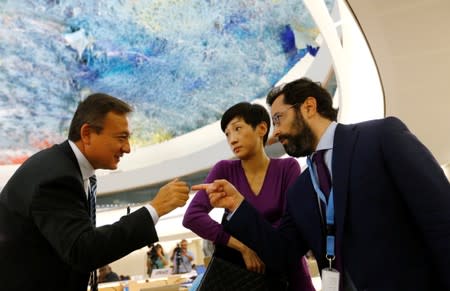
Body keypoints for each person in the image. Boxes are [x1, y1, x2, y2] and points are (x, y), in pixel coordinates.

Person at [194, 77, 450, 291]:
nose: (276, 132)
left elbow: (440, 215)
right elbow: (282, 253)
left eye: (279, 119)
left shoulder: (380, 137)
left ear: (308, 106)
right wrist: (238, 205)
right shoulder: (301, 189)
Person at [0, 93, 190, 291]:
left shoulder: (77, 173)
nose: (127, 148)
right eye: (121, 138)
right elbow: (82, 250)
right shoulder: (56, 177)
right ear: (87, 134)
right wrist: (154, 210)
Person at [183, 102, 314, 290]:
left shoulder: (287, 167)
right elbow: (192, 217)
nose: (232, 139)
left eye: (237, 129)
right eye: (227, 134)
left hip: (287, 271)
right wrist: (242, 247)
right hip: (243, 277)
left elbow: (291, 225)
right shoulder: (224, 170)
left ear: (261, 128)